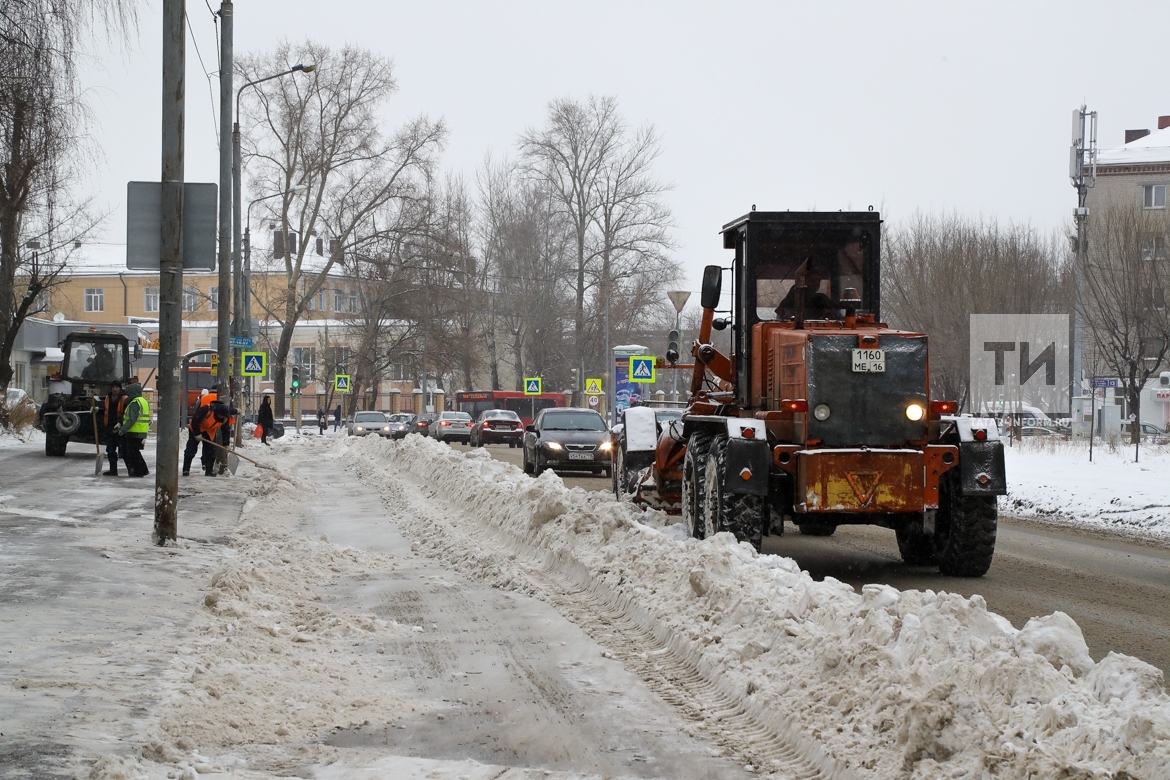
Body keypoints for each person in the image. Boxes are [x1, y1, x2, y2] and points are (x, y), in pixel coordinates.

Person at [182, 400, 235, 477]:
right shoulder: (206, 409)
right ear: (217, 412)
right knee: (191, 450)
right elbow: (195, 420)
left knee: (211, 452)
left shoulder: (225, 416)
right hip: (197, 429)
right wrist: (197, 433)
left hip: (210, 432)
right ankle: (186, 470)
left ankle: (209, 471)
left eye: (224, 416)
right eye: (221, 416)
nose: (222, 417)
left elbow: (225, 430)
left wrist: (226, 444)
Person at [118, 382, 150, 478]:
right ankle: (141, 470)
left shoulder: (135, 403)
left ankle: (139, 471)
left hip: (134, 431)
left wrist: (123, 429)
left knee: (132, 452)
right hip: (141, 431)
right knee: (135, 452)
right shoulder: (143, 401)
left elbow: (132, 419)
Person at [101, 380, 127, 476]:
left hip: (120, 429)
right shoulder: (108, 397)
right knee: (110, 450)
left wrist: (121, 423)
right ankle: (113, 470)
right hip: (110, 427)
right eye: (113, 387)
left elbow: (126, 413)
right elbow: (105, 410)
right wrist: (97, 410)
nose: (114, 389)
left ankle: (132, 470)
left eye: (116, 387)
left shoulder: (124, 398)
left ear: (120, 388)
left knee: (124, 451)